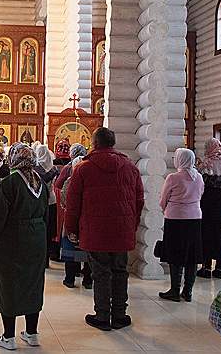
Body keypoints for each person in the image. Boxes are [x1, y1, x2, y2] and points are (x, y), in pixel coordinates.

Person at [65, 127, 144, 331]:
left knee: (100, 273)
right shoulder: (130, 167)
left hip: (95, 230)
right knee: (120, 272)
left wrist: (71, 229)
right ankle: (119, 315)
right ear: (113, 143)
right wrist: (132, 225)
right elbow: (139, 201)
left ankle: (102, 316)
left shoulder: (83, 168)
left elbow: (73, 204)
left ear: (94, 143)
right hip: (122, 230)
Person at [0, 143, 48, 350]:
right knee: (33, 284)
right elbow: (46, 214)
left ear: (13, 159)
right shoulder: (41, 183)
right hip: (37, 240)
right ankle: (32, 333)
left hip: (12, 241)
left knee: (8, 285)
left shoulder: (8, 184)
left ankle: (8, 337)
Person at [157, 148, 204, 302]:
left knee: (175, 254)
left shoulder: (173, 178)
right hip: (195, 218)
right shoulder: (199, 177)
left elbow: (163, 199)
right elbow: (200, 194)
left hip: (175, 219)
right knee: (192, 256)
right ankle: (188, 291)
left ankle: (175, 290)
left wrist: (166, 209)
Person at [55, 144, 92, 289]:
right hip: (87, 220)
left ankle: (70, 278)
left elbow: (63, 197)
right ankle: (87, 280)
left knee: (71, 248)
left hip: (71, 217)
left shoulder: (69, 180)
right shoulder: (91, 181)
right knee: (87, 248)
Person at [196, 138, 221, 279]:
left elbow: (199, 186)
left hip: (206, 204)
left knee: (206, 233)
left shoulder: (205, 166)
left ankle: (206, 267)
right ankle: (219, 268)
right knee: (220, 234)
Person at [34, 144, 59, 265]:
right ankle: (46, 259)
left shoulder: (35, 169)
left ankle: (39, 258)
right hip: (52, 200)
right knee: (49, 231)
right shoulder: (54, 169)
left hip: (40, 201)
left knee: (40, 230)